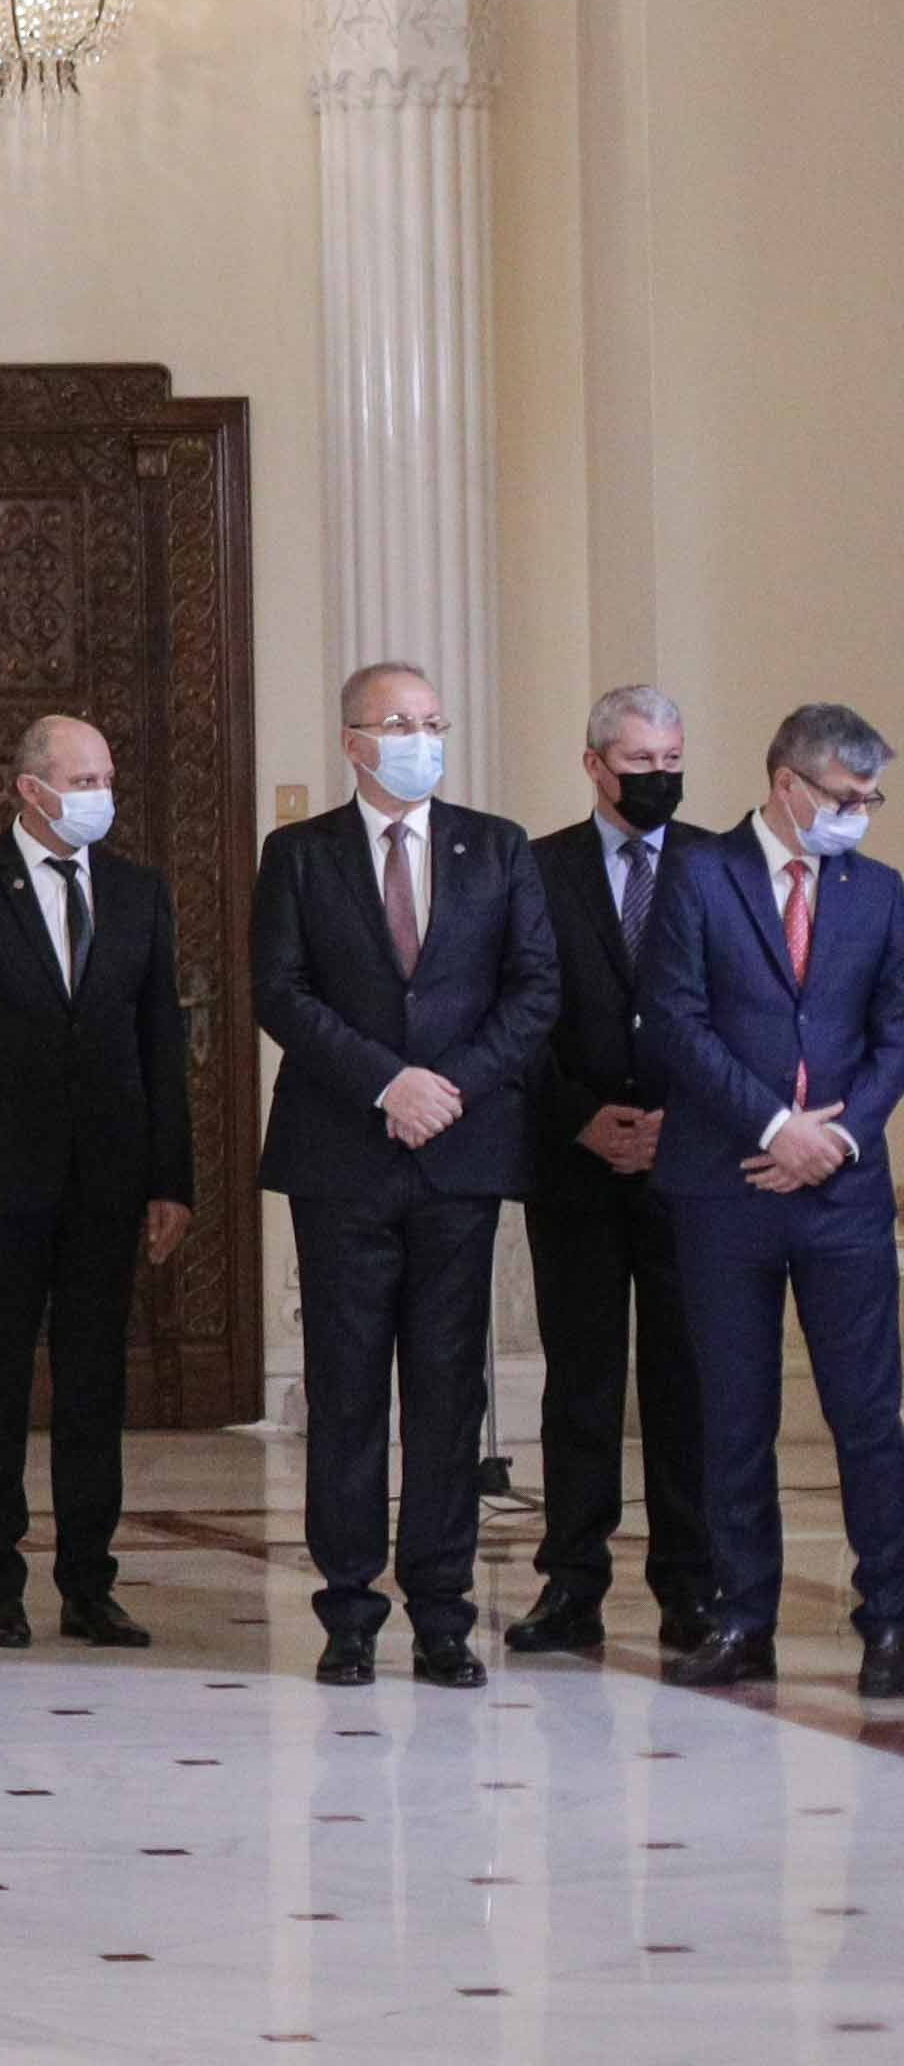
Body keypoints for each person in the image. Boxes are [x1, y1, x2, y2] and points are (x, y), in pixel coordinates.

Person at [250, 659, 547, 1687]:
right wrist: (388, 1083)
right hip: (342, 1157)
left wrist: (446, 1088)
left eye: (432, 721)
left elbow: (533, 989)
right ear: (354, 742)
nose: (422, 738)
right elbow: (280, 990)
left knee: (447, 1390)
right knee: (345, 1390)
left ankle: (444, 1612)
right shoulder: (299, 853)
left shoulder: (497, 847)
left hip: (459, 1155)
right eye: (399, 722)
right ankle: (348, 1610)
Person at [0, 713, 189, 1653]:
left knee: (94, 1386)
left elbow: (162, 1044)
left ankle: (89, 1584)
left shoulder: (139, 890)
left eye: (106, 779)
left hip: (108, 1181)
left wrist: (172, 1182)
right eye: (83, 781)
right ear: (30, 789)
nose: (101, 796)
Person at [641, 702, 904, 1696]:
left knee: (867, 1414)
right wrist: (771, 1127)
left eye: (871, 799)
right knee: (734, 1413)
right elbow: (674, 1020)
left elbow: (896, 1032)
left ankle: (890, 1621)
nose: (860, 814)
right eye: (847, 796)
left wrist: (832, 1138)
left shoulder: (880, 892)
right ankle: (744, 1619)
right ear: (788, 784)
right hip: (726, 1188)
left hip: (842, 1191)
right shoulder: (699, 876)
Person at [524, 682, 713, 1663]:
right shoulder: (536, 869)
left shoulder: (720, 865)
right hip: (576, 1165)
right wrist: (581, 1119)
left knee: (688, 1383)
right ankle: (571, 1584)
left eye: (671, 760)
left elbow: (743, 1010)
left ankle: (692, 1587)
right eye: (640, 762)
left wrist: (684, 1121)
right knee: (582, 1384)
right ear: (595, 764)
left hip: (691, 1167)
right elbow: (516, 1011)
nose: (659, 777)